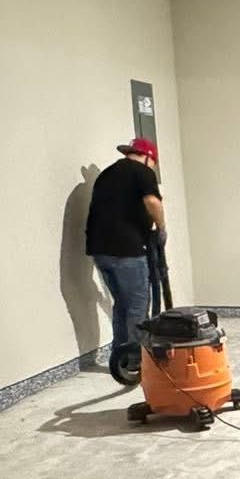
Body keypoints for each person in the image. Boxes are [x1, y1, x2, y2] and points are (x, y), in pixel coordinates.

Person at [83, 137, 167, 381]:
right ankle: (138, 362)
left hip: (100, 251)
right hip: (127, 250)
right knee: (139, 306)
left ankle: (119, 357)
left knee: (121, 304)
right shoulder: (142, 172)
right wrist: (161, 228)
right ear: (149, 157)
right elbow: (152, 201)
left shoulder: (107, 174)